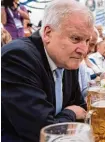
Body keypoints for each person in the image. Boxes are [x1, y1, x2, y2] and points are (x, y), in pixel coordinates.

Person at [1, 0, 94, 141]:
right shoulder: (18, 57)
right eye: (75, 38)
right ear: (48, 33)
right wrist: (70, 113)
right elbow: (42, 131)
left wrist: (69, 114)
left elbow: (80, 106)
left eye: (87, 41)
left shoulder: (67, 59)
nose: (84, 50)